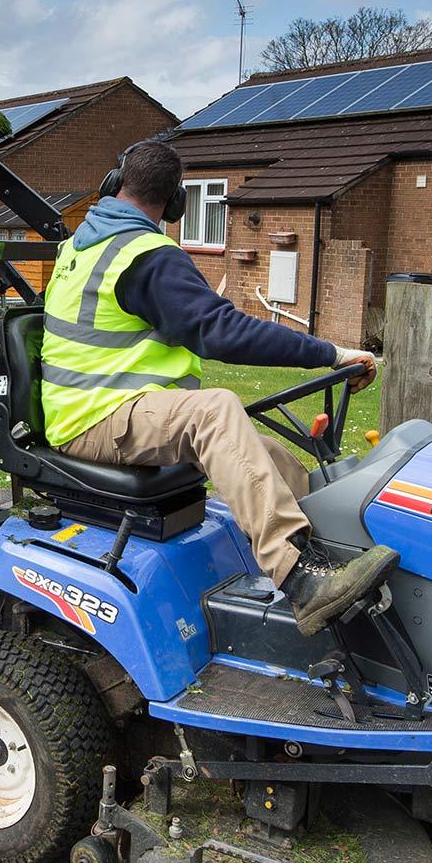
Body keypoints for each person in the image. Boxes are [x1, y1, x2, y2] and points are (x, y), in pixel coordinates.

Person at [40, 140, 381, 630]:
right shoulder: (145, 256)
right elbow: (222, 331)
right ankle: (300, 578)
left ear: (114, 186)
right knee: (217, 410)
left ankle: (339, 558)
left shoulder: (78, 247)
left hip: (103, 410)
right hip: (96, 419)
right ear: (176, 203)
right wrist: (330, 354)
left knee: (266, 453)